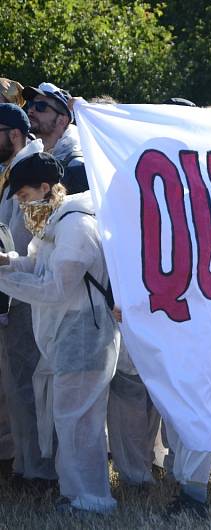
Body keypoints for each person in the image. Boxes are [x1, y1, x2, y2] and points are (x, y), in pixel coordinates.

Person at [0, 152, 119, 514]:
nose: (22, 205)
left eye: (23, 196)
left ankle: (92, 498)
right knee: (70, 419)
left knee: (79, 421)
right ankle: (76, 493)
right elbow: (37, 264)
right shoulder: (55, 225)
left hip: (84, 335)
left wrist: (5, 280)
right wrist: (7, 263)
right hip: (70, 335)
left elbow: (55, 289)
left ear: (45, 188)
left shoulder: (74, 227)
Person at [0, 104, 58, 489]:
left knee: (29, 387)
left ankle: (38, 471)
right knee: (17, 386)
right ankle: (24, 463)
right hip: (13, 288)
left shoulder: (34, 170)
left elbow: (31, 242)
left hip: (25, 296)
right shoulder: (14, 169)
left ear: (14, 134)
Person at [21, 83, 88, 194]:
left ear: (62, 121)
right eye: (30, 104)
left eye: (40, 106)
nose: (30, 110)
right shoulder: (21, 154)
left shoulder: (77, 164)